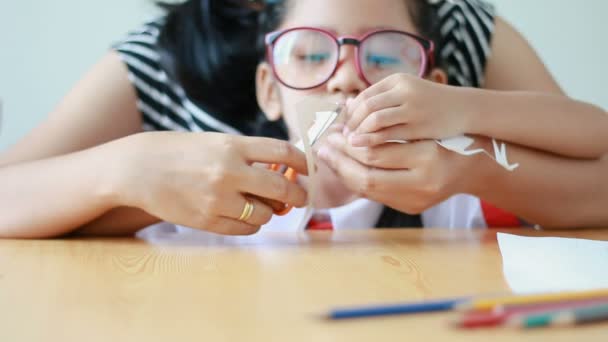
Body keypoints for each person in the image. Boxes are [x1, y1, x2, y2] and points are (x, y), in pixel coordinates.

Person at [0, 0, 606, 239]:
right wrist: (123, 169)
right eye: (313, 55)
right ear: (268, 85)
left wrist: (468, 138)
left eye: (383, 55)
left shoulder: (462, 194)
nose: (344, 77)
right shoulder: (187, 214)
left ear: (433, 76)